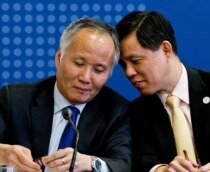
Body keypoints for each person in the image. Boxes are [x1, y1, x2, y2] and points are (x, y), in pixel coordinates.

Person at [116, 11, 210, 172]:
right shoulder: (135, 112)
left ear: (166, 49)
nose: (129, 72)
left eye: (135, 61)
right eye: (123, 65)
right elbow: (140, 161)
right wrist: (162, 170)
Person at [0, 18, 131, 172]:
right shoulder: (14, 99)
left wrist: (90, 163)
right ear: (59, 59)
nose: (85, 78)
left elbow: (123, 164)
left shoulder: (117, 110)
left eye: (99, 70)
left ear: (109, 74)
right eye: (79, 63)